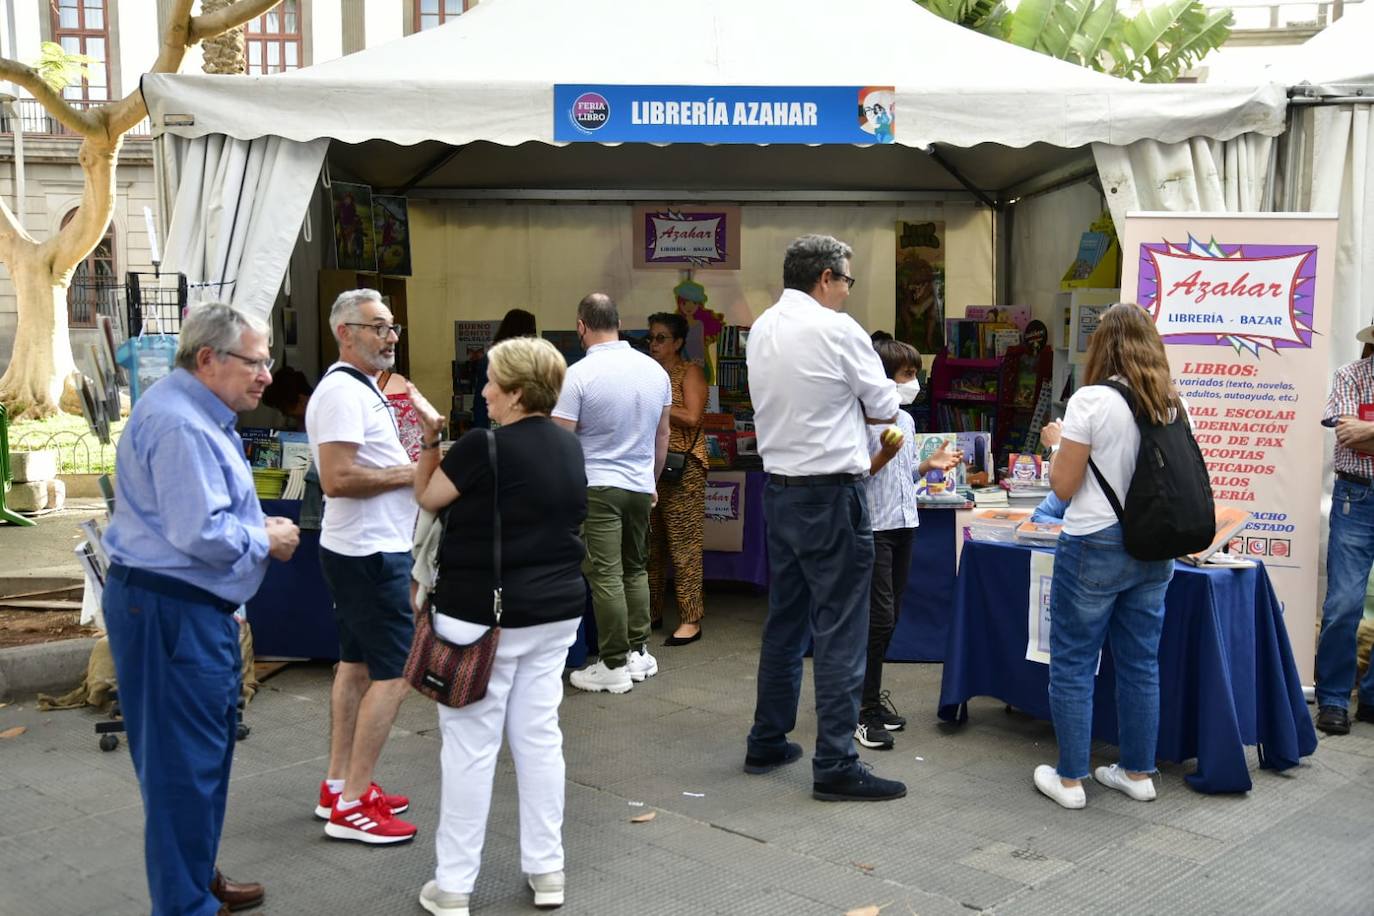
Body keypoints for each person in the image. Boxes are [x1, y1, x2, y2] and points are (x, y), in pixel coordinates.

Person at [103, 303, 300, 916]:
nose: (266, 374)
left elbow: (199, 518)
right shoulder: (182, 423)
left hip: (181, 608)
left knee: (198, 761)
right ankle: (185, 904)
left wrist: (250, 524)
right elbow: (199, 533)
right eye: (255, 361)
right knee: (182, 770)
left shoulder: (193, 412)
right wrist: (263, 538)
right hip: (172, 613)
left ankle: (194, 880)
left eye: (267, 361)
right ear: (208, 358)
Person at [412, 337, 587, 916]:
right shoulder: (569, 448)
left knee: (469, 749)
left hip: (479, 617)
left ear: (514, 392)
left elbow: (428, 496)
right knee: (539, 740)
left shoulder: (481, 447)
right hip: (554, 612)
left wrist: (431, 438)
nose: (483, 391)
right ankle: (547, 869)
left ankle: (455, 885)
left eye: (490, 382)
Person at [742, 234, 907, 802]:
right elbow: (884, 406)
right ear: (826, 279)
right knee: (841, 628)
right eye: (847, 281)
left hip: (781, 488)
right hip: (832, 493)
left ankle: (767, 737)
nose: (847, 292)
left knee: (785, 621)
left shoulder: (762, 328)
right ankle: (836, 760)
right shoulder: (838, 329)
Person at [1034, 303, 1178, 810]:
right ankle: (1138, 772)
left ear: (1102, 345)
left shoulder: (1091, 400)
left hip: (1094, 541)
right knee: (1141, 661)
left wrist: (1056, 446)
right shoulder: (1167, 400)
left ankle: (1071, 779)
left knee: (1073, 661)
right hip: (1154, 546)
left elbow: (1064, 485)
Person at [306, 289, 420, 844]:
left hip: (364, 550)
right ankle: (354, 803)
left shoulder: (358, 389)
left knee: (354, 667)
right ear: (344, 332)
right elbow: (337, 479)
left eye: (392, 326)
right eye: (377, 327)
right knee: (394, 676)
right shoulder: (342, 393)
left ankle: (339, 787)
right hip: (371, 554)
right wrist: (411, 474)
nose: (390, 336)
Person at [555, 293, 672, 694]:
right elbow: (663, 435)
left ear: (581, 326)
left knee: (605, 576)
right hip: (640, 485)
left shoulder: (578, 375)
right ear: (618, 323)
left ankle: (613, 663)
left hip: (598, 486)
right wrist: (652, 482)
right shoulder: (655, 371)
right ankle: (639, 653)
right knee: (635, 569)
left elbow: (560, 442)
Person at [856, 338, 962, 751]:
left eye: (916, 373)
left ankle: (869, 701)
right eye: (907, 374)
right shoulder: (862, 421)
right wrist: (883, 454)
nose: (914, 382)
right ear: (883, 377)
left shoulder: (906, 419)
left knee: (891, 615)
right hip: (874, 528)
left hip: (904, 523)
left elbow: (901, 476)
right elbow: (857, 476)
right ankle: (861, 712)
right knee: (878, 618)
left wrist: (926, 466)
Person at [1314, 320, 1374, 734]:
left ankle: (1370, 697)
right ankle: (1334, 698)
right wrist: (1363, 434)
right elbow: (1347, 434)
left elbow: (1361, 432)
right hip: (1358, 497)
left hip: (1358, 493)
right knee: (1343, 604)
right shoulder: (1350, 375)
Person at [645, 311, 709, 646]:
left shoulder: (690, 371)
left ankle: (690, 619)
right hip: (649, 467)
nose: (653, 344)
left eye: (660, 338)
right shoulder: (646, 373)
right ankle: (651, 612)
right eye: (651, 338)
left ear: (678, 342)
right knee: (649, 547)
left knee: (683, 547)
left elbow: (693, 415)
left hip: (683, 467)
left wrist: (655, 405)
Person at [472, 308, 538, 429]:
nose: (534, 336)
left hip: (497, 428)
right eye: (532, 331)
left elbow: (480, 404)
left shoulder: (490, 358)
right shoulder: (532, 362)